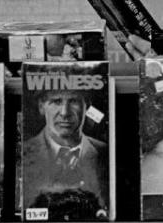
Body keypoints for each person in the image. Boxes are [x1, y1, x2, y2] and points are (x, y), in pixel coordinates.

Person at [22, 87, 107, 215]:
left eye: (73, 101)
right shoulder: (23, 153)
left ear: (87, 106)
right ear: (41, 106)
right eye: (56, 101)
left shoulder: (105, 153)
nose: (64, 112)